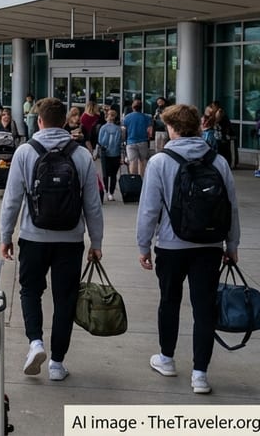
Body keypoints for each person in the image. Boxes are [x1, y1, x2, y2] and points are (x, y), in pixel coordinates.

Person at [137, 103, 240, 395]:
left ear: (173, 128)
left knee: (169, 300)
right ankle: (200, 374)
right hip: (209, 245)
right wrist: (231, 244)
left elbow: (149, 210)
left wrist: (143, 245)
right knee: (204, 307)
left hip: (171, 245)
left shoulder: (160, 162)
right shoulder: (217, 161)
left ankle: (167, 358)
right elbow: (230, 208)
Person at [0, 97, 103, 382]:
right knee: (65, 299)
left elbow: (12, 200)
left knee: (30, 291)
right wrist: (96, 242)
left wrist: (6, 235)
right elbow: (93, 204)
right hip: (70, 239)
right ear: (65, 122)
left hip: (33, 237)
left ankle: (35, 343)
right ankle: (57, 363)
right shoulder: (80, 155)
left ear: (40, 121)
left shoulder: (25, 152)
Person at [97, 108, 123, 202]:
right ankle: (111, 193)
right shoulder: (118, 129)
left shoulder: (103, 128)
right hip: (115, 154)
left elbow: (100, 141)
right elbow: (119, 142)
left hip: (105, 154)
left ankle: (106, 191)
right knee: (113, 175)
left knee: (105, 174)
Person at [123, 99, 152, 177]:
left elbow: (123, 131)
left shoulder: (127, 117)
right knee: (143, 161)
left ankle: (134, 180)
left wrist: (124, 141)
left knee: (132, 162)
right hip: (143, 141)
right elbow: (150, 131)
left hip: (130, 142)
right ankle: (142, 180)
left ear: (132, 107)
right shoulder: (146, 117)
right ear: (141, 108)